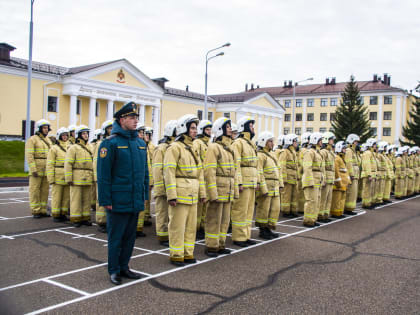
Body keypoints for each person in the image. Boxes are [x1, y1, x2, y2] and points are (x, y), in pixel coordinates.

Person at [97, 102, 148, 285]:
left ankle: (125, 267)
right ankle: (114, 270)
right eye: (132, 118)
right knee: (116, 237)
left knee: (129, 237)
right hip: (117, 199)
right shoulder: (110, 143)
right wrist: (105, 200)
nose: (135, 121)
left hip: (134, 198)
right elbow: (103, 175)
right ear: (121, 119)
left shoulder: (140, 144)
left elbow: (145, 173)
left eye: (136, 118)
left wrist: (144, 195)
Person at [164, 114, 206, 266]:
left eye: (196, 128)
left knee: (190, 227)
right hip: (180, 194)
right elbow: (168, 172)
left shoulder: (193, 147)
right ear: (184, 128)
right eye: (193, 128)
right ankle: (176, 254)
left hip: (193, 193)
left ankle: (188, 253)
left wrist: (202, 193)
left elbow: (199, 172)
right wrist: (171, 196)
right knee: (177, 227)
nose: (195, 131)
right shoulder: (174, 148)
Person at [203, 117, 237, 256]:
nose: (230, 129)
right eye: (227, 126)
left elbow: (234, 172)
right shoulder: (214, 147)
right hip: (218, 189)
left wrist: (233, 191)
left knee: (224, 220)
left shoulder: (229, 148)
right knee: (213, 219)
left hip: (227, 189)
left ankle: (221, 244)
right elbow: (209, 171)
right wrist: (212, 193)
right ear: (220, 129)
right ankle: (211, 246)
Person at [231, 116, 260, 247]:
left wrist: (257, 181)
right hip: (244, 182)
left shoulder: (251, 144)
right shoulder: (238, 143)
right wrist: (239, 182)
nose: (253, 128)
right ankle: (238, 237)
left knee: (249, 211)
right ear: (245, 127)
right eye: (251, 126)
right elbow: (236, 164)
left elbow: (256, 165)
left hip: (251, 182)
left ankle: (246, 235)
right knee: (240, 211)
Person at [153, 120, 177, 246]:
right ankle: (162, 237)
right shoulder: (161, 148)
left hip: (170, 187)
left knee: (170, 214)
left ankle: (168, 234)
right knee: (162, 213)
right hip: (163, 188)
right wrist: (161, 188)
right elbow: (157, 170)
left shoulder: (174, 147)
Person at [255, 131, 283, 239]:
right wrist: (263, 188)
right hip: (266, 186)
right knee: (264, 209)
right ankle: (263, 230)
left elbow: (278, 170)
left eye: (272, 141)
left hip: (274, 187)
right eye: (270, 141)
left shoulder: (272, 154)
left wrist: (280, 184)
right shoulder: (261, 155)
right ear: (264, 142)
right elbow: (259, 172)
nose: (272, 143)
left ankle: (269, 228)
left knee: (274, 209)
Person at [65, 125, 94, 226]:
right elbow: (68, 163)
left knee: (87, 199)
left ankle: (85, 218)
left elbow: (94, 163)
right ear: (78, 135)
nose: (86, 135)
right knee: (76, 199)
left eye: (87, 133)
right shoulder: (73, 148)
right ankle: (76, 219)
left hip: (88, 176)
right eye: (84, 133)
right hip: (76, 177)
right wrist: (68, 178)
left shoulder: (91, 147)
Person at [25, 119, 53, 218]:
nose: (46, 130)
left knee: (45, 191)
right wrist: (33, 169)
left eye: (47, 128)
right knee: (35, 191)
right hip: (36, 170)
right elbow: (29, 155)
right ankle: (36, 211)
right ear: (39, 129)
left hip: (46, 170)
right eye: (44, 128)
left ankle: (43, 210)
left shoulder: (48, 140)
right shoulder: (32, 139)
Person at [193, 119, 212, 239]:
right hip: (200, 178)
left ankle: (203, 226)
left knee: (206, 206)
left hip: (207, 178)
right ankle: (196, 228)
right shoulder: (198, 143)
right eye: (207, 129)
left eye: (210, 129)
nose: (209, 132)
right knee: (199, 207)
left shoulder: (209, 144)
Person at [47, 127, 70, 222]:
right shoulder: (54, 149)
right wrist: (51, 178)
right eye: (63, 135)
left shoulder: (70, 147)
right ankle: (56, 215)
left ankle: (63, 213)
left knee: (66, 197)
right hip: (57, 176)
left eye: (66, 135)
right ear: (59, 136)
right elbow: (50, 164)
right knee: (57, 197)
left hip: (66, 175)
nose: (65, 137)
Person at [93, 120, 113, 233]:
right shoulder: (102, 143)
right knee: (101, 199)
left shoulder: (113, 142)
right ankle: (101, 221)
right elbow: (97, 162)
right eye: (109, 128)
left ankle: (109, 221)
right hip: (102, 177)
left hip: (111, 177)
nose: (111, 130)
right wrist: (98, 177)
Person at [302, 132, 324, 227]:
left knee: (316, 201)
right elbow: (307, 168)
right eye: (320, 140)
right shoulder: (309, 152)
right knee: (311, 201)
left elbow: (320, 169)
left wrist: (322, 180)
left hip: (317, 180)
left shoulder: (317, 152)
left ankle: (313, 219)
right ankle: (308, 220)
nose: (322, 142)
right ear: (315, 140)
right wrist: (309, 181)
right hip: (312, 181)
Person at [278, 134, 299, 218]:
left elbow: (296, 166)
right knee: (286, 195)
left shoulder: (293, 152)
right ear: (290, 142)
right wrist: (284, 178)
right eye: (295, 141)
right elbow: (282, 165)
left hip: (293, 177)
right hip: (288, 178)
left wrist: (297, 176)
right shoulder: (284, 152)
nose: (297, 143)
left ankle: (292, 210)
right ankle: (286, 211)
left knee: (294, 195)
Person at [330, 141, 351, 218]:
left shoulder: (342, 159)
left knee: (341, 199)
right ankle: (335, 213)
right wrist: (338, 182)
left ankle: (339, 212)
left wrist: (348, 181)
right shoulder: (337, 158)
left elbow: (344, 171)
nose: (345, 150)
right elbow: (336, 171)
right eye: (344, 148)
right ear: (339, 149)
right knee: (337, 199)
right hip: (339, 183)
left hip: (343, 183)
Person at [319, 132, 335, 221]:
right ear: (327, 141)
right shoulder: (323, 152)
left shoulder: (330, 152)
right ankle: (320, 215)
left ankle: (325, 214)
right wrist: (323, 179)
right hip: (326, 178)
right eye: (331, 139)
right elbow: (322, 167)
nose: (333, 141)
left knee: (328, 198)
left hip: (331, 178)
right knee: (323, 198)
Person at [344, 134, 361, 212]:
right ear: (351, 141)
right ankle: (348, 208)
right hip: (352, 175)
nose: (357, 143)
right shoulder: (349, 151)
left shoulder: (354, 151)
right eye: (355, 141)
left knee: (354, 193)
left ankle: (351, 208)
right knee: (350, 192)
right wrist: (351, 174)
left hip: (355, 174)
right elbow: (348, 163)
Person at [361, 138, 377, 209]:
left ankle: (369, 203)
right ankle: (366, 204)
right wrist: (369, 174)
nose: (375, 146)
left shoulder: (371, 153)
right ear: (370, 145)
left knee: (370, 190)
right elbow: (367, 165)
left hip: (371, 174)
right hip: (368, 175)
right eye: (374, 144)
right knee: (367, 190)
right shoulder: (367, 153)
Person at [297, 132, 311, 214]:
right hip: (301, 174)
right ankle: (300, 208)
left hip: (303, 174)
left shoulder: (306, 150)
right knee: (301, 193)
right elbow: (301, 162)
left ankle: (301, 208)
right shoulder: (303, 151)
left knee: (303, 194)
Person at [144, 127, 155, 226]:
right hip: (144, 176)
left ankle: (146, 217)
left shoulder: (151, 146)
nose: (147, 136)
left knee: (148, 199)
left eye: (149, 135)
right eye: (146, 134)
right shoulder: (141, 146)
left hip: (149, 176)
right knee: (143, 200)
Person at [88, 129, 102, 212]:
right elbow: (95, 160)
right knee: (94, 192)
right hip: (94, 172)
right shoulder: (95, 145)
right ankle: (93, 206)